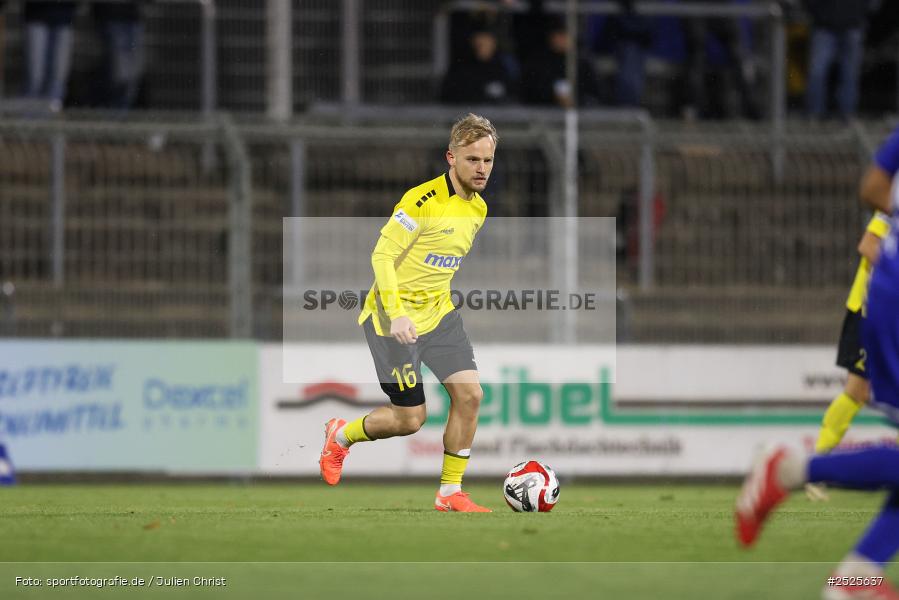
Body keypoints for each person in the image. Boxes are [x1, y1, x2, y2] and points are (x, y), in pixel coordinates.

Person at [735, 126, 899, 599]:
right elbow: (871, 197)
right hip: (890, 293)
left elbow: (873, 185)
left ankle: (857, 577)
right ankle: (791, 467)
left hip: (888, 289)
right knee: (854, 390)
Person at [319, 114, 496, 513]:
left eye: (487, 160)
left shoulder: (479, 209)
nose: (481, 168)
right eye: (472, 160)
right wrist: (398, 313)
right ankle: (341, 436)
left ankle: (450, 493)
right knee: (410, 419)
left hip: (440, 315)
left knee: (470, 396)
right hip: (390, 319)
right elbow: (382, 254)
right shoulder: (421, 201)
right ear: (451, 157)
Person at [804, 0, 874, 120]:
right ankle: (815, 114)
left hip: (852, 24)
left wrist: (861, 12)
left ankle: (847, 114)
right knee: (817, 72)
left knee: (850, 74)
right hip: (824, 26)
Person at [521, 18, 602, 108]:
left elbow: (595, 93)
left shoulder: (583, 62)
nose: (561, 39)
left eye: (565, 35)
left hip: (579, 112)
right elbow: (530, 92)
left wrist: (576, 100)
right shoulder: (539, 61)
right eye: (558, 35)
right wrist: (554, 96)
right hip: (544, 112)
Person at [22, 0, 77, 111]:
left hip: (64, 15)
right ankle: (30, 113)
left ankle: (53, 112)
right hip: (36, 14)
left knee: (58, 74)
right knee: (35, 74)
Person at [92, 0, 147, 110]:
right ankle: (109, 109)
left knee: (133, 71)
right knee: (117, 70)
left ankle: (121, 111)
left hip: (132, 15)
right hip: (111, 14)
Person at [441, 28, 518, 105]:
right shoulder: (462, 68)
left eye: (486, 44)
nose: (481, 47)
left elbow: (513, 94)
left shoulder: (502, 67)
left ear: (494, 44)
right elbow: (450, 94)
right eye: (478, 44)